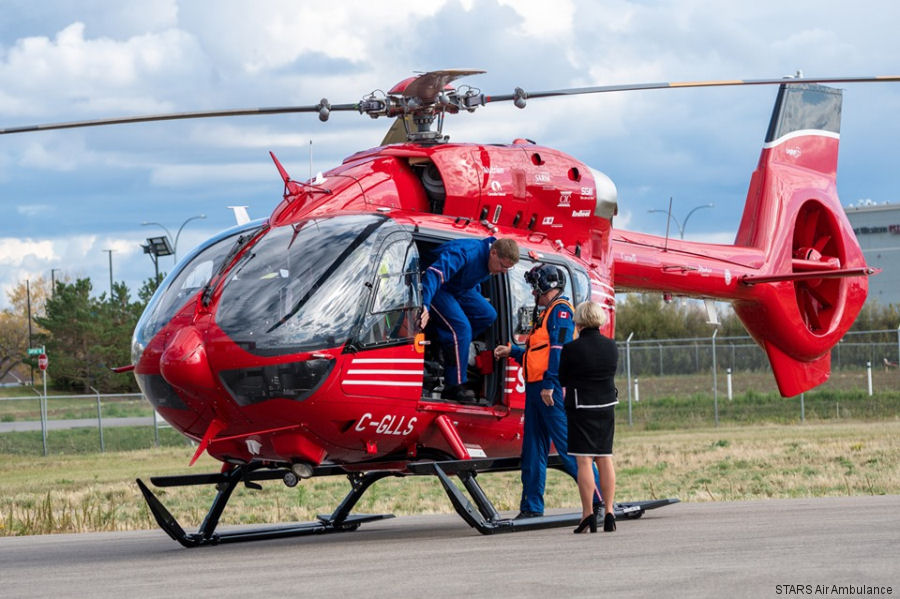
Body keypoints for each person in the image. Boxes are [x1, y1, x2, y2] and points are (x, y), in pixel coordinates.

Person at [494, 263, 599, 519]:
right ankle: (531, 506)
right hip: (535, 390)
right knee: (532, 449)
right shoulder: (545, 313)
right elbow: (537, 353)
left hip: (548, 390)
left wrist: (551, 384)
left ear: (546, 285)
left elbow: (558, 352)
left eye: (535, 287)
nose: (533, 293)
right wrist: (514, 352)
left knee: (569, 447)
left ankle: (599, 500)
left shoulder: (561, 312)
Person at [420, 236, 519, 401]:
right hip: (438, 286)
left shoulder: (491, 263)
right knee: (462, 329)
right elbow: (434, 274)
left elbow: (473, 279)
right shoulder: (466, 252)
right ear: (493, 253)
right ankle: (454, 385)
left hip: (459, 288)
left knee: (488, 314)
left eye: (508, 269)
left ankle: (450, 346)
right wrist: (424, 304)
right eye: (503, 266)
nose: (503, 271)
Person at [559, 300, 619, 533]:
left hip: (581, 406)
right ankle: (611, 510)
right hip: (606, 406)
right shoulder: (611, 346)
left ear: (580, 321)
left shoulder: (571, 349)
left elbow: (562, 378)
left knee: (584, 460)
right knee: (604, 457)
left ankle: (588, 515)